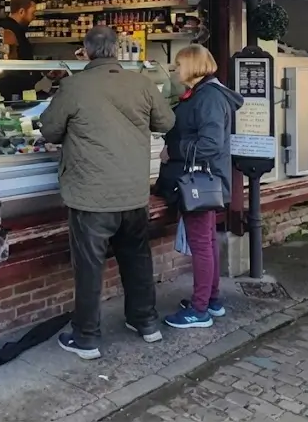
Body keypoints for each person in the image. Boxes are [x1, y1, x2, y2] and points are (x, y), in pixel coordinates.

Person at [39, 26, 176, 359]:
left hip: (90, 196)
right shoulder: (141, 83)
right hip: (132, 192)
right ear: (117, 50)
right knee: (137, 257)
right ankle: (146, 323)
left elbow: (49, 129)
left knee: (88, 267)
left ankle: (86, 337)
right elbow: (167, 121)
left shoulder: (74, 85)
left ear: (85, 52)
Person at [156, 45, 243, 329]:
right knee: (206, 241)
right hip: (202, 178)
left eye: (178, 64)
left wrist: (174, 150)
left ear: (193, 66)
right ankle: (211, 300)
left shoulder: (209, 98)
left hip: (200, 181)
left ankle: (199, 309)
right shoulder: (205, 94)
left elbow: (210, 144)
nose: (175, 70)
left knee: (202, 244)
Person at [0, 0, 43, 100]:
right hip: (9, 94)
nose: (34, 17)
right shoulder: (8, 31)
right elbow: (11, 65)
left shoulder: (10, 28)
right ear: (22, 12)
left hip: (11, 91)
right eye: (32, 13)